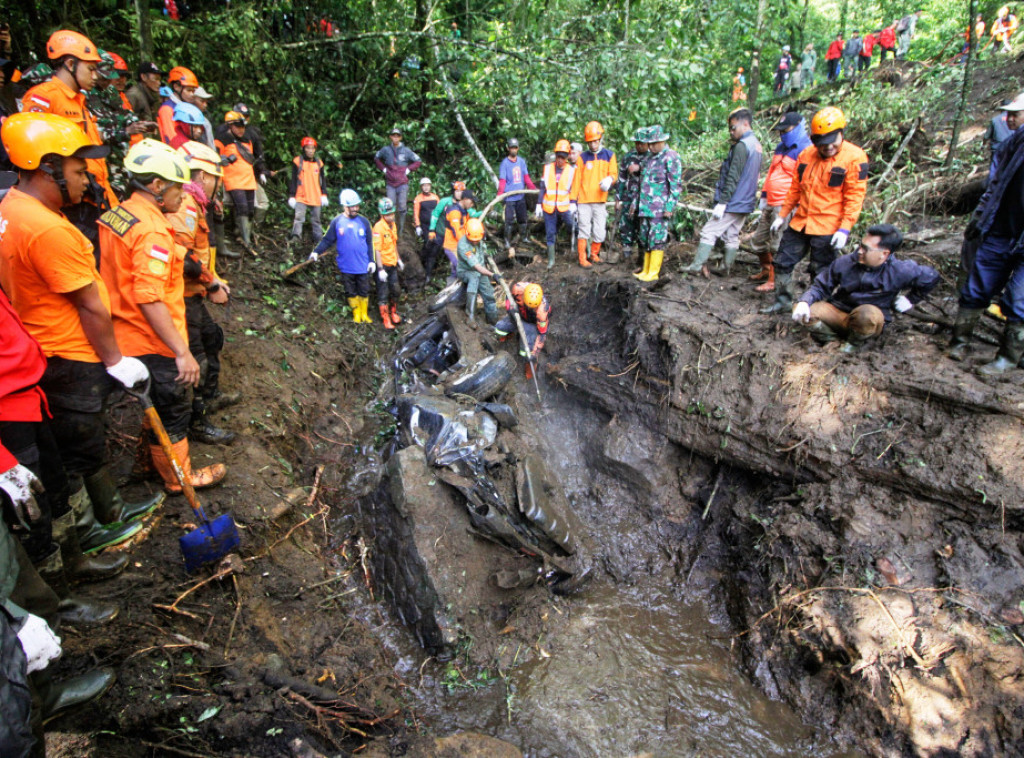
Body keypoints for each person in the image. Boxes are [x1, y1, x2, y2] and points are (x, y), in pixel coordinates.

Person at [0, 113, 155, 565]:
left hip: (42, 344)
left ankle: (109, 510)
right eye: (78, 170)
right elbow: (89, 303)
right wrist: (115, 359)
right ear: (47, 168)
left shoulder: (11, 208)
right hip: (68, 350)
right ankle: (88, 531)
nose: (86, 180)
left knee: (82, 439)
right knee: (76, 445)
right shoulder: (49, 229)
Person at [98, 139, 228, 494]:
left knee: (152, 402)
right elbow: (150, 296)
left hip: (124, 327)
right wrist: (181, 352)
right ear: (156, 185)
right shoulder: (152, 230)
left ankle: (147, 462)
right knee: (173, 407)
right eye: (177, 188)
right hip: (152, 336)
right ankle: (177, 479)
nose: (183, 195)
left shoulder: (119, 214)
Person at [762, 107, 869, 314]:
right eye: (822, 142)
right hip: (801, 221)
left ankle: (817, 310)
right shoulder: (806, 155)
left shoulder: (855, 158)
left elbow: (854, 197)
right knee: (782, 261)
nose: (828, 146)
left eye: (832, 140)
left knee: (821, 270)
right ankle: (783, 302)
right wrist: (782, 215)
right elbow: (795, 189)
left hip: (829, 225)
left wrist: (844, 229)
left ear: (841, 133)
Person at [20, 29, 118, 247]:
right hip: (70, 200)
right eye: (90, 69)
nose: (95, 76)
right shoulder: (44, 97)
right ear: (71, 64)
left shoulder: (80, 101)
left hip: (95, 196)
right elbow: (32, 152)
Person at [167, 141, 237, 445]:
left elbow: (197, 254)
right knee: (197, 357)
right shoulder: (185, 205)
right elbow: (182, 256)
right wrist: (211, 284)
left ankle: (211, 395)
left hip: (193, 292)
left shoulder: (194, 204)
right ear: (205, 177)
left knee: (211, 338)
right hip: (181, 296)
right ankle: (197, 421)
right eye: (216, 179)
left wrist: (212, 279)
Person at [948, 124, 1024, 374]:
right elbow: (996, 181)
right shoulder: (1019, 139)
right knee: (976, 287)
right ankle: (959, 342)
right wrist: (981, 216)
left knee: (1018, 298)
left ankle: (1007, 358)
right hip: (1000, 228)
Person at [792, 224, 939, 352]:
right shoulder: (846, 262)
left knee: (866, 315)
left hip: (869, 320)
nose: (860, 251)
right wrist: (805, 302)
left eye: (866, 249)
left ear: (884, 254)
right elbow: (820, 286)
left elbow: (931, 276)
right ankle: (832, 341)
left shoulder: (900, 270)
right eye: (861, 245)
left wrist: (910, 299)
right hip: (839, 312)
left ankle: (852, 345)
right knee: (804, 310)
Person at [686, 109, 762, 277]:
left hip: (734, 200)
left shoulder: (742, 146)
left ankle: (696, 267)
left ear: (745, 124)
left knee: (708, 231)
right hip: (746, 201)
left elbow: (733, 176)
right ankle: (725, 268)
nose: (731, 132)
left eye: (733, 128)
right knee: (732, 234)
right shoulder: (756, 145)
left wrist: (723, 202)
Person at [748, 112, 812, 293]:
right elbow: (771, 173)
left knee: (778, 244)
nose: (782, 134)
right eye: (780, 131)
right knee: (758, 241)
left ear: (798, 127)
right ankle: (766, 269)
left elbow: (804, 182)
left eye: (786, 130)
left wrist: (797, 206)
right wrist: (764, 196)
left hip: (786, 204)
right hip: (771, 201)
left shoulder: (806, 149)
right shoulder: (780, 147)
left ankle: (774, 280)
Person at [308, 189, 375, 324]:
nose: (355, 209)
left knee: (364, 290)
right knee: (350, 290)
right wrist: (316, 251)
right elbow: (327, 240)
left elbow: (369, 242)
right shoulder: (337, 221)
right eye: (352, 206)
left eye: (357, 206)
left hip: (362, 264)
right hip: (346, 265)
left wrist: (371, 261)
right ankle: (356, 313)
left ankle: (364, 313)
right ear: (345, 206)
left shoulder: (364, 222)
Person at [634, 125, 682, 282]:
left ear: (662, 141)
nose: (651, 147)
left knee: (657, 239)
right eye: (650, 144)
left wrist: (669, 206)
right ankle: (646, 269)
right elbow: (642, 183)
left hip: (659, 208)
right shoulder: (648, 158)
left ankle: (653, 272)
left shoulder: (671, 157)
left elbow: (675, 185)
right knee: (645, 238)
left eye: (654, 143)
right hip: (645, 206)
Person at [573, 121, 618, 268]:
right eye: (590, 142)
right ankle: (582, 258)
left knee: (599, 230)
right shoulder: (582, 157)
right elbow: (576, 180)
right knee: (584, 230)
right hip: (584, 200)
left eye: (595, 141)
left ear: (600, 139)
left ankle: (594, 254)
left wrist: (610, 179)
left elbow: (614, 173)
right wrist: (573, 201)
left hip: (600, 200)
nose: (593, 145)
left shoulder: (609, 155)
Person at [215, 110, 259, 254]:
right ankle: (246, 240)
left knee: (251, 210)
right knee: (242, 208)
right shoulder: (221, 139)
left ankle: (245, 236)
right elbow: (217, 158)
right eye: (238, 127)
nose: (241, 130)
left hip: (249, 179)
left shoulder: (247, 139)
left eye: (243, 127)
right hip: (233, 179)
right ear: (230, 126)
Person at [536, 140, 578, 269]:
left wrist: (573, 203)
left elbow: (574, 188)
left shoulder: (571, 170)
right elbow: (543, 187)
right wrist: (539, 204)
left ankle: (579, 248)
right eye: (559, 156)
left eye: (563, 157)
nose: (560, 159)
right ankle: (551, 260)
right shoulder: (548, 168)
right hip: (549, 206)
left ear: (567, 157)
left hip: (564, 206)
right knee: (550, 232)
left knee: (572, 225)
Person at [373, 127, 421, 238]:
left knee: (402, 207)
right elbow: (376, 158)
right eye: (393, 135)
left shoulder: (406, 150)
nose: (395, 138)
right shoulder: (386, 150)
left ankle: (401, 230)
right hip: (390, 183)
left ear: (400, 137)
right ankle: (391, 229)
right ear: (390, 137)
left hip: (402, 183)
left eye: (397, 136)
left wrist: (409, 169)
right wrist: (384, 169)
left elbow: (418, 160)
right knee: (390, 206)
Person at [495, 282, 550, 375]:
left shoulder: (542, 313)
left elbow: (542, 335)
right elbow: (508, 297)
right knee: (500, 328)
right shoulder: (518, 289)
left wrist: (534, 354)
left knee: (527, 350)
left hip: (531, 323)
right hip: (518, 315)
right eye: (528, 305)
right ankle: (510, 334)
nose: (530, 308)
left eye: (533, 308)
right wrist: (510, 310)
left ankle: (530, 367)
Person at [497, 137, 538, 261]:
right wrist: (500, 194)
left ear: (518, 148)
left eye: (515, 147)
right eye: (511, 148)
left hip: (521, 195)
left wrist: (533, 188)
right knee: (509, 220)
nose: (513, 150)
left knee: (523, 218)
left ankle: (524, 237)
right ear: (508, 149)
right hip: (509, 197)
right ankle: (507, 241)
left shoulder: (521, 162)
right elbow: (502, 180)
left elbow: (526, 177)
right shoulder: (505, 163)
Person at [617, 128, 650, 269]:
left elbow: (654, 175)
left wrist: (640, 167)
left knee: (643, 229)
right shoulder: (628, 156)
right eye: (637, 143)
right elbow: (621, 178)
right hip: (628, 198)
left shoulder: (652, 157)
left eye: (642, 143)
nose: (639, 146)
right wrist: (618, 198)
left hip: (645, 201)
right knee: (626, 227)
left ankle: (642, 259)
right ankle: (627, 258)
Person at [455, 218, 498, 326]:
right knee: (474, 277)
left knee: (489, 294)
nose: (475, 241)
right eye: (473, 240)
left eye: (477, 239)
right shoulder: (463, 246)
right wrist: (492, 274)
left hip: (480, 271)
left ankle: (493, 320)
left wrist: (487, 256)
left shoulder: (478, 237)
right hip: (466, 271)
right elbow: (477, 266)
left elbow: (483, 253)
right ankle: (470, 316)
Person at [287, 136, 328, 247]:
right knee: (299, 218)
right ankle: (296, 237)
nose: (310, 150)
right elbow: (293, 179)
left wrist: (324, 194)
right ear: (304, 148)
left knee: (316, 220)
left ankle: (319, 240)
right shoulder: (298, 161)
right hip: (301, 195)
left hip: (316, 195)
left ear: (315, 149)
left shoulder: (319, 163)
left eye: (312, 148)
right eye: (308, 148)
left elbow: (323, 179)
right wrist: (292, 195)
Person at [372, 197, 404, 329]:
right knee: (383, 292)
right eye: (388, 215)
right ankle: (385, 319)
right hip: (383, 265)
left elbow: (394, 243)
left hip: (392, 263)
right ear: (382, 214)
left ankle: (393, 312)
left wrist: (398, 259)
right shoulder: (378, 228)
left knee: (395, 289)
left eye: (392, 214)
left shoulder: (393, 225)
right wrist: (380, 269)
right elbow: (377, 250)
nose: (391, 217)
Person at [442, 189, 478, 281]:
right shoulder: (454, 212)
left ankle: (454, 284)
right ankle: (454, 285)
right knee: (461, 267)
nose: (472, 205)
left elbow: (467, 227)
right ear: (465, 199)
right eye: (471, 202)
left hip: (459, 246)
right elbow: (456, 232)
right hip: (452, 247)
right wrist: (467, 245)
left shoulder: (464, 211)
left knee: (456, 269)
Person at [156, 66, 199, 144]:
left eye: (193, 91)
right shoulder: (167, 109)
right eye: (189, 90)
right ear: (176, 87)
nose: (192, 94)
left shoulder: (186, 108)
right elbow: (171, 138)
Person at [986, 96, 1022, 181]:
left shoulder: (995, 120)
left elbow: (987, 135)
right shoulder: (1012, 141)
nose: (1010, 119)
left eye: (1015, 114)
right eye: (1009, 114)